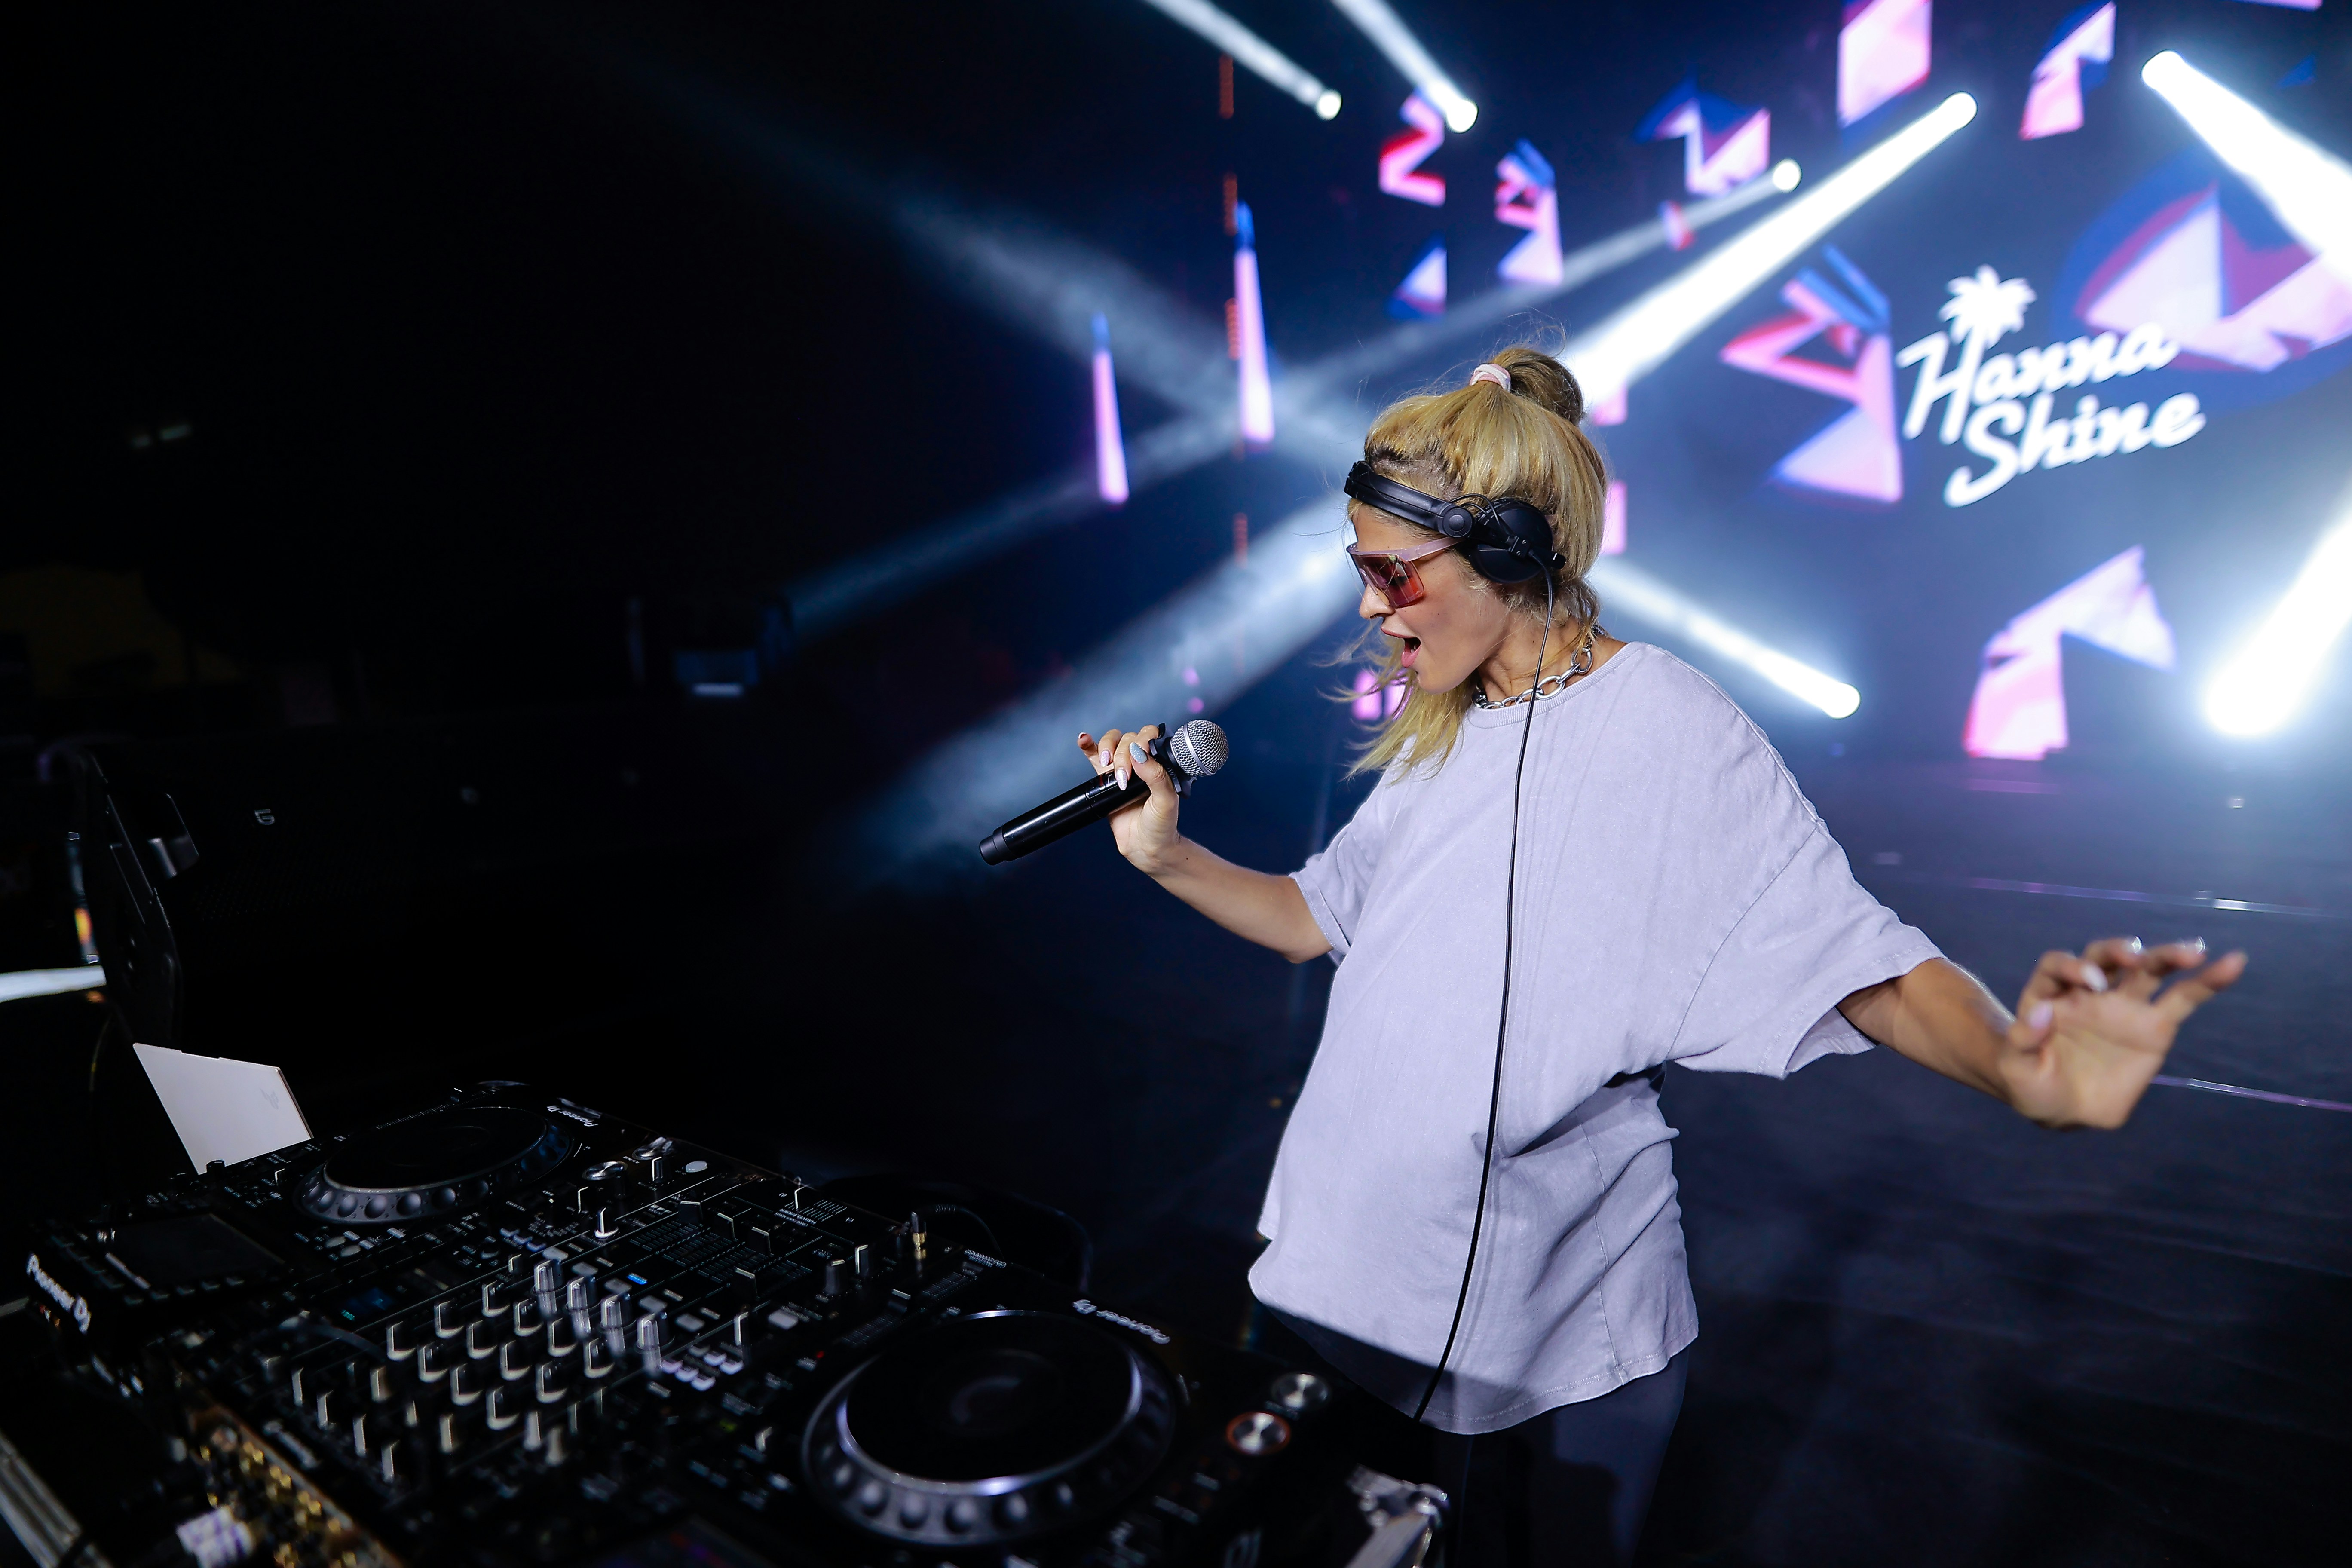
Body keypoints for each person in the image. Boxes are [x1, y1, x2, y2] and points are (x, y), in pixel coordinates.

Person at [1076, 347, 2246, 1567]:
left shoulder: (1672, 727)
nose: (1371, 605)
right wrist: (1165, 857)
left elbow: (1863, 965)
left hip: (1549, 1358)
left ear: (1512, 555)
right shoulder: (1445, 730)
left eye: (1393, 572)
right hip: (1327, 1290)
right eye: (1359, 569)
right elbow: (1318, 917)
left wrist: (2022, 1069)